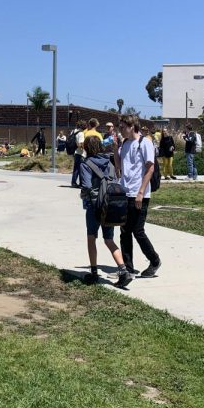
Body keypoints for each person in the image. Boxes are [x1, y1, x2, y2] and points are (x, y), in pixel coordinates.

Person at [79, 135, 132, 288]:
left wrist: (84, 195)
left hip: (94, 206)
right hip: (109, 206)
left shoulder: (86, 164)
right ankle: (123, 270)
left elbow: (87, 186)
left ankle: (94, 272)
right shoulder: (108, 163)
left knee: (91, 238)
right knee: (109, 240)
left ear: (86, 148)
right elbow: (115, 179)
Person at [119, 118, 162, 278]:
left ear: (132, 127)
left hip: (139, 194)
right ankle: (127, 268)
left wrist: (141, 192)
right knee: (124, 231)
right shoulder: (124, 143)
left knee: (138, 230)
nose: (120, 129)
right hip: (125, 192)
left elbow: (150, 169)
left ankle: (154, 260)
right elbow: (120, 166)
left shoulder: (145, 143)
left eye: (123, 127)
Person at [70, 120, 87, 188]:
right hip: (80, 153)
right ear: (82, 126)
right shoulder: (81, 133)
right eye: (85, 125)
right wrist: (85, 148)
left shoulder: (74, 131)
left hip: (75, 152)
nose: (86, 127)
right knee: (81, 169)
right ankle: (81, 183)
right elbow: (80, 144)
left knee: (76, 168)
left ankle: (73, 182)